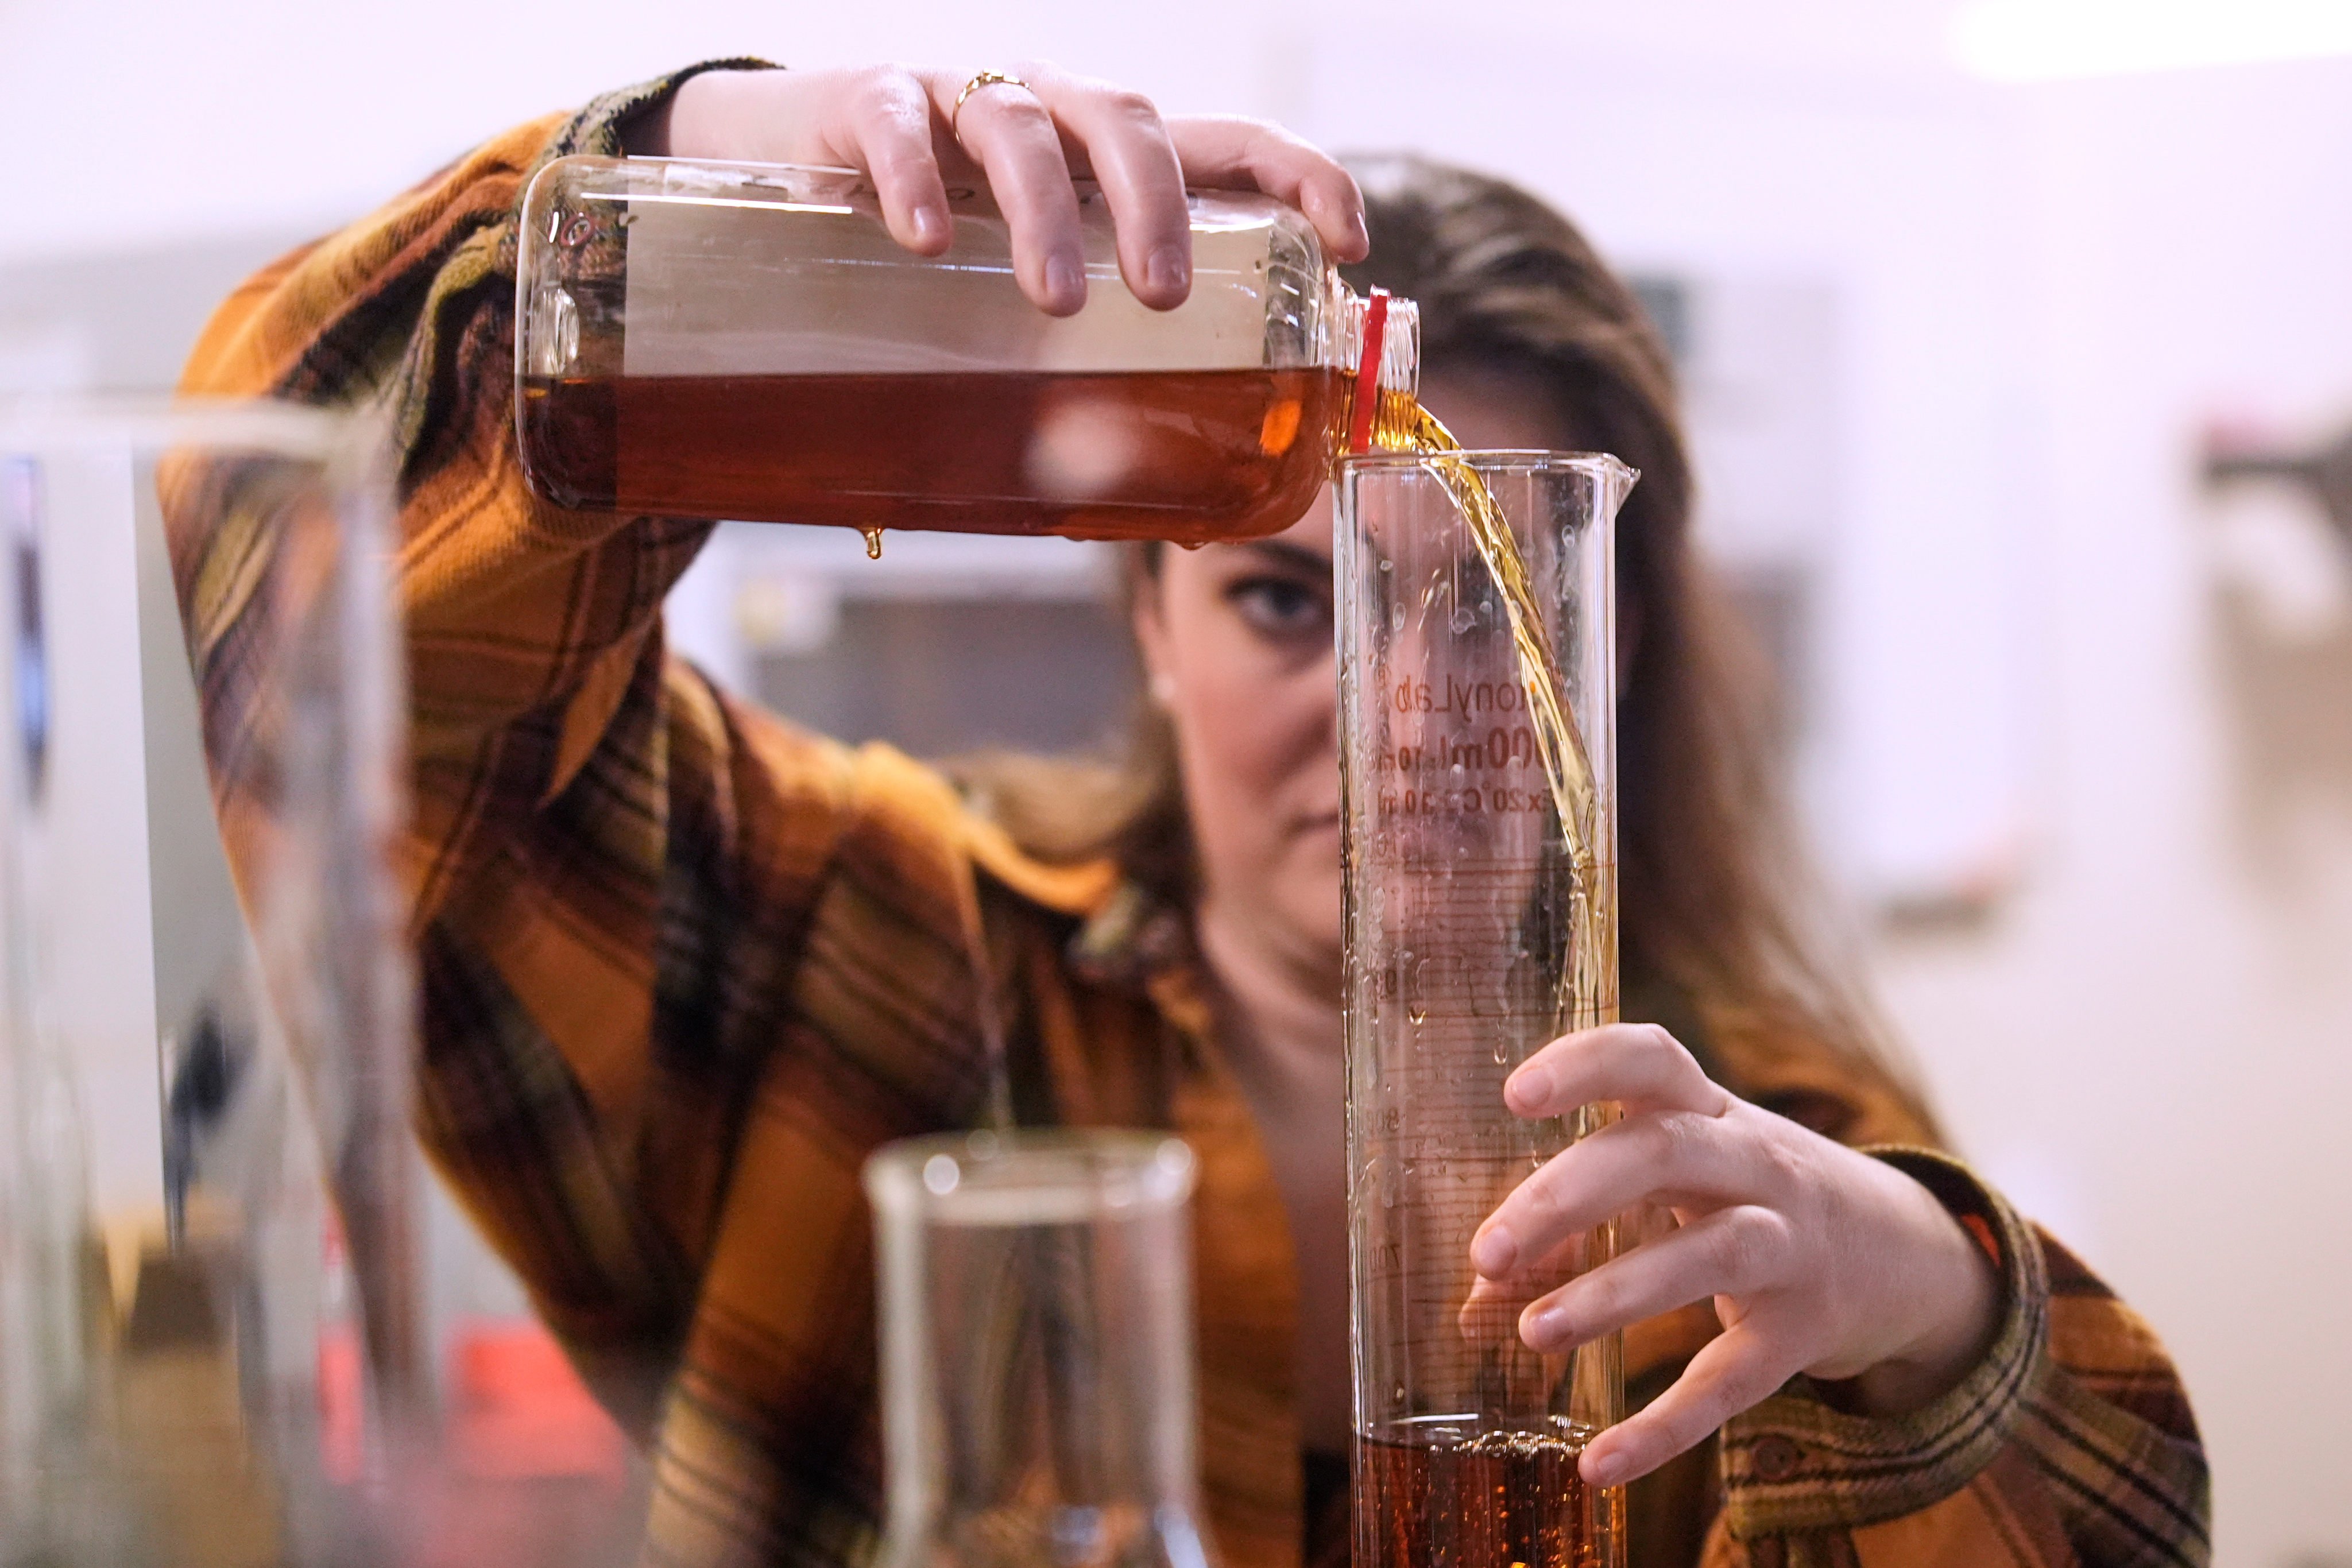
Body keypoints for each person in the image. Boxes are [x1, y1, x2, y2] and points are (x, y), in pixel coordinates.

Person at [171, 60, 2208, 1568]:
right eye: (1284, 601)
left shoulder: (1752, 1164)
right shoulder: (853, 947)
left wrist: (1935, 1309)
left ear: (1620, 646)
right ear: (1146, 620)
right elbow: (252, 603)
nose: (1402, 715)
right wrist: (693, 169)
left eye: (1487, 605)